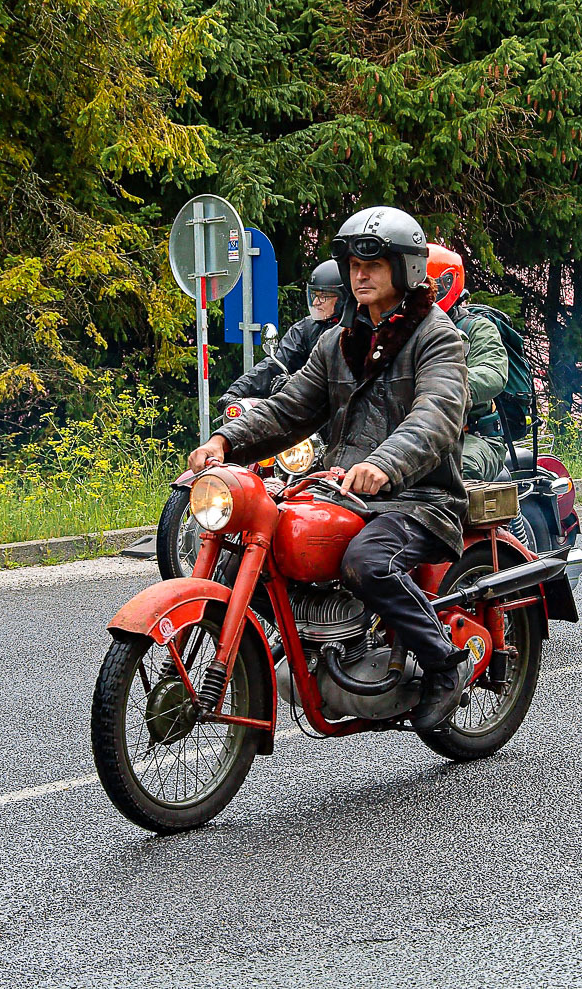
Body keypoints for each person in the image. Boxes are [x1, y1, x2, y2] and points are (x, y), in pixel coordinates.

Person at [187, 206, 472, 732]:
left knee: (367, 563)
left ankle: (444, 665)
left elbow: (436, 414)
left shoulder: (437, 337)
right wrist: (226, 440)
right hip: (343, 491)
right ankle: (311, 642)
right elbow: (288, 408)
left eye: (374, 264)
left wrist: (384, 464)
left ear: (406, 268)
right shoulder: (338, 342)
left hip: (420, 498)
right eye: (353, 265)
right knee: (242, 557)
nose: (360, 275)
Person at [428, 244, 510, 482]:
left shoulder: (477, 328)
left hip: (473, 435)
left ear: (449, 284)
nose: (428, 294)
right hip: (416, 435)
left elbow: (493, 372)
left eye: (433, 286)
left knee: (459, 470)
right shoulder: (403, 328)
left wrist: (445, 388)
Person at [218, 261, 343, 406]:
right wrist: (237, 391)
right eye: (314, 295)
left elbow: (336, 373)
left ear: (343, 298)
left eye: (323, 296)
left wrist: (295, 382)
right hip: (311, 411)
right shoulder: (307, 328)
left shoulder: (356, 329)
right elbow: (277, 361)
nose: (315, 302)